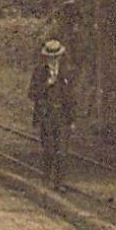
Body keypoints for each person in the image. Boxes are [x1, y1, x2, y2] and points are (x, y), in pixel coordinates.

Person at [27, 38, 74, 190]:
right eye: (50, 58)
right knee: (48, 149)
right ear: (46, 58)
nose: (53, 60)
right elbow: (32, 94)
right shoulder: (39, 72)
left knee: (62, 151)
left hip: (62, 115)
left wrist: (72, 119)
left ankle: (60, 183)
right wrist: (46, 84)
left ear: (60, 57)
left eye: (56, 57)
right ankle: (46, 178)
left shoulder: (67, 73)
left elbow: (71, 97)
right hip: (46, 115)